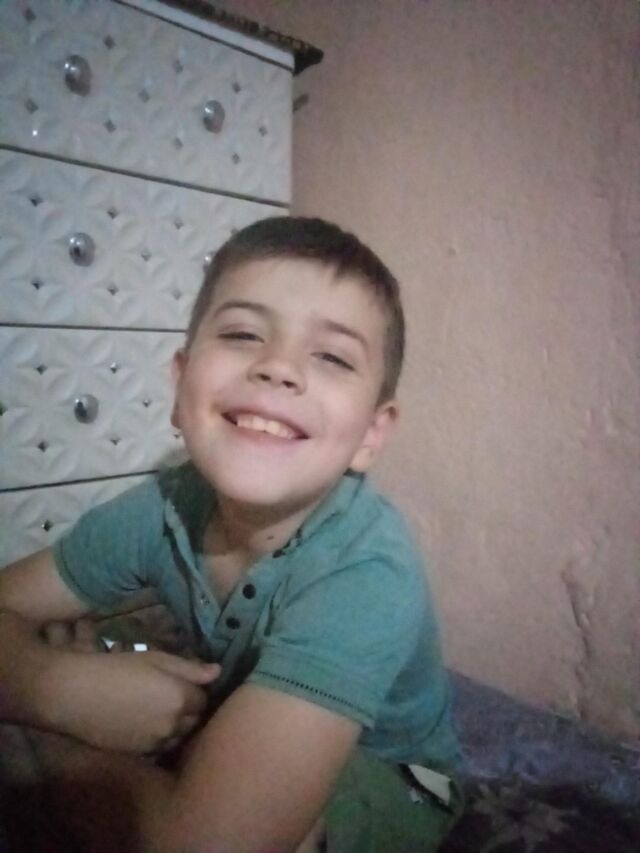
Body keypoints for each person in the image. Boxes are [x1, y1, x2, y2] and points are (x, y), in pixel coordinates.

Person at [0, 217, 462, 852]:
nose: (278, 367)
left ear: (371, 435)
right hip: (239, 705)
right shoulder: (161, 508)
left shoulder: (366, 574)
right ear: (180, 383)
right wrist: (56, 686)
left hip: (399, 774)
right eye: (243, 334)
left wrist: (51, 727)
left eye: (332, 356)